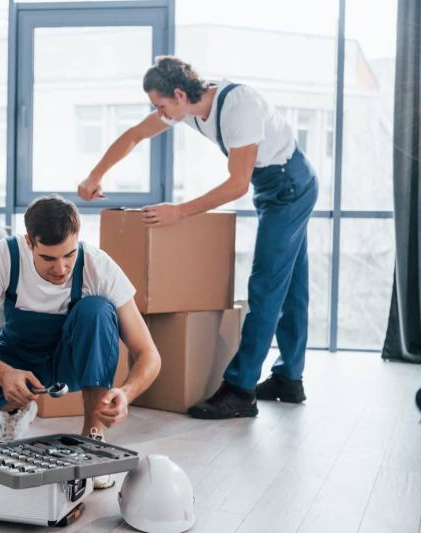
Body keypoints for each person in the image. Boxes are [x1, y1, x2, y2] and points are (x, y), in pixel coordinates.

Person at [78, 56, 318, 419]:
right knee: (291, 287)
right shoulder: (186, 107)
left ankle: (240, 390)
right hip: (275, 186)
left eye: (160, 105)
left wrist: (180, 212)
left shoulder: (238, 107)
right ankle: (289, 378)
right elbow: (134, 136)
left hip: (289, 186)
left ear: (178, 93)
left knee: (267, 286)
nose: (159, 113)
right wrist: (95, 175)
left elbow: (237, 183)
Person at [0, 195, 160, 487]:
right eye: (48, 258)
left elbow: (149, 353)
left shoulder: (98, 266)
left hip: (70, 360)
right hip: (17, 357)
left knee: (96, 309)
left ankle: (93, 444)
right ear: (29, 243)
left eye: (69, 255)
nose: (60, 268)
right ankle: (14, 409)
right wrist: (3, 373)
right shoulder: (5, 256)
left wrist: (127, 392)